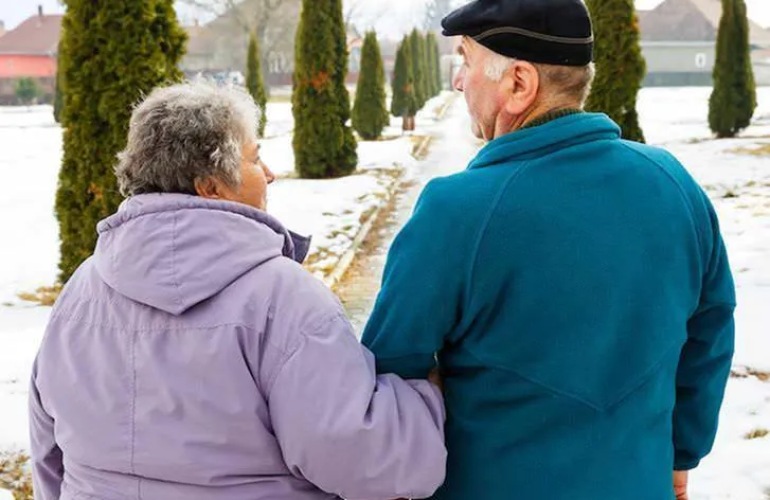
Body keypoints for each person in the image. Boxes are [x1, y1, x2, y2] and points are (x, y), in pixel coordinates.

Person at [361, 1, 736, 499]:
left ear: (518, 83)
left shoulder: (456, 211)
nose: (458, 81)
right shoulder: (673, 184)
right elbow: (710, 331)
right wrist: (680, 453)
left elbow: (384, 371)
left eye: (466, 61)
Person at [29, 82, 447, 500]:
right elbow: (362, 460)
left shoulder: (81, 290)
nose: (269, 174)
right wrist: (425, 399)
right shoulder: (284, 299)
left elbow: (49, 451)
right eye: (255, 158)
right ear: (211, 186)